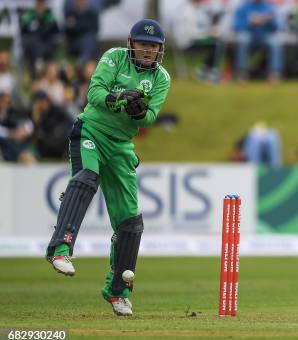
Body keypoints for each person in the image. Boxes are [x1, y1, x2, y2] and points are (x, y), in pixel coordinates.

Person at [45, 19, 171, 316]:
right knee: (86, 178)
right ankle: (60, 249)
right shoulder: (113, 57)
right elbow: (95, 93)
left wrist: (139, 112)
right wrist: (118, 99)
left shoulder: (162, 77)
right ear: (131, 43)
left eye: (153, 46)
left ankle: (118, 291)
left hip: (122, 147)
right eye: (142, 43)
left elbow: (151, 116)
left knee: (131, 222)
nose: (147, 50)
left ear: (159, 50)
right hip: (91, 131)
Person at [172, 0, 226, 83]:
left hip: (191, 40)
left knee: (216, 43)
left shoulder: (194, 9)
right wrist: (209, 34)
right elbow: (191, 34)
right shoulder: (187, 11)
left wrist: (210, 33)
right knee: (216, 44)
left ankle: (204, 70)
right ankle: (205, 72)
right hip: (186, 43)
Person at [233, 0, 283, 82]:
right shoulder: (244, 6)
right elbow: (236, 26)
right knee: (243, 39)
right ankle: (242, 73)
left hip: (264, 36)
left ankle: (274, 73)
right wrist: (250, 22)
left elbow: (276, 27)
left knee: (275, 41)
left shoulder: (269, 7)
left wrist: (270, 21)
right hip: (249, 35)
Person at [19, 0, 60, 78]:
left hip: (47, 45)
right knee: (32, 41)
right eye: (39, 3)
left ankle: (40, 63)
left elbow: (56, 31)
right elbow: (23, 30)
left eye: (42, 3)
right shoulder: (29, 14)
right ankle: (38, 63)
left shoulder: (49, 15)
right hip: (31, 48)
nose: (41, 6)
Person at [30, 91, 74, 160]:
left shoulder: (56, 109)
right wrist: (36, 117)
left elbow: (70, 121)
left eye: (43, 101)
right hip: (47, 143)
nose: (42, 104)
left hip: (60, 138)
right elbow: (36, 132)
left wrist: (59, 129)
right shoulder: (37, 114)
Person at [0, 83, 33, 163]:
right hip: (4, 142)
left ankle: (24, 157)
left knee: (19, 143)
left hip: (15, 141)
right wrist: (12, 133)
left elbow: (29, 123)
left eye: (8, 102)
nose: (7, 104)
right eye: (4, 101)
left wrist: (24, 131)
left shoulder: (12, 112)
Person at [64, 0, 101, 65]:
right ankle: (83, 61)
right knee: (88, 40)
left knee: (89, 39)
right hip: (75, 42)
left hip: (88, 41)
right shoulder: (71, 13)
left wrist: (76, 25)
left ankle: (83, 60)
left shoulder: (92, 13)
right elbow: (66, 31)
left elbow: (95, 29)